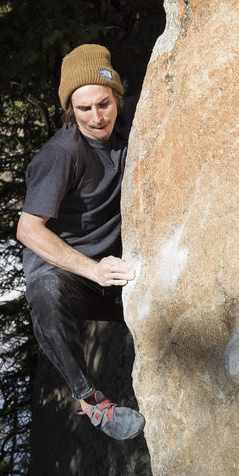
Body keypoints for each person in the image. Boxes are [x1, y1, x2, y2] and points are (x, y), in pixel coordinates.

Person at [16, 44, 145, 440]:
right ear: (70, 110)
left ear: (117, 97)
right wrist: (93, 269)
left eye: (103, 104)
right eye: (84, 109)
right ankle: (90, 399)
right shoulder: (61, 154)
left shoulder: (129, 123)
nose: (96, 117)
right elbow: (27, 229)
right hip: (74, 277)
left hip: (115, 269)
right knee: (43, 290)